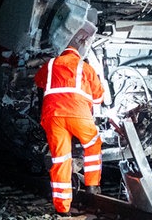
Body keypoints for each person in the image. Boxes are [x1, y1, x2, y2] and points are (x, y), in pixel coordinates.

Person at [34, 34, 105, 217]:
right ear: (79, 52)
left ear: (63, 50)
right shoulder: (85, 67)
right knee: (93, 144)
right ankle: (92, 185)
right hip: (78, 115)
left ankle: (62, 209)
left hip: (54, 117)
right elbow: (99, 97)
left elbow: (39, 82)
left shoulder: (50, 64)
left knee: (61, 160)